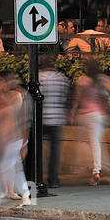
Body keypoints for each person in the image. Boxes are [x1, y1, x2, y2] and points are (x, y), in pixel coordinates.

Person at [0, 72, 29, 217]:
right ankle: (26, 196)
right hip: (2, 139)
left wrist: (0, 96)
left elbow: (7, 112)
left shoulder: (16, 96)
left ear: (8, 83)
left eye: (0, 81)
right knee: (17, 170)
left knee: (0, 173)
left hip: (13, 139)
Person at [71, 58, 110, 185]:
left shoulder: (82, 81)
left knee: (88, 142)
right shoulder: (103, 80)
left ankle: (95, 169)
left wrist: (73, 112)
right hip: (100, 115)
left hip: (85, 115)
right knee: (96, 142)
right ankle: (99, 168)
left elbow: (77, 99)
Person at [37, 55, 70, 189]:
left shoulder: (39, 78)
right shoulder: (62, 78)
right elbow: (65, 98)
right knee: (55, 151)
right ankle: (54, 179)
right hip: (57, 118)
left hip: (42, 118)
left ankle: (37, 177)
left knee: (37, 150)